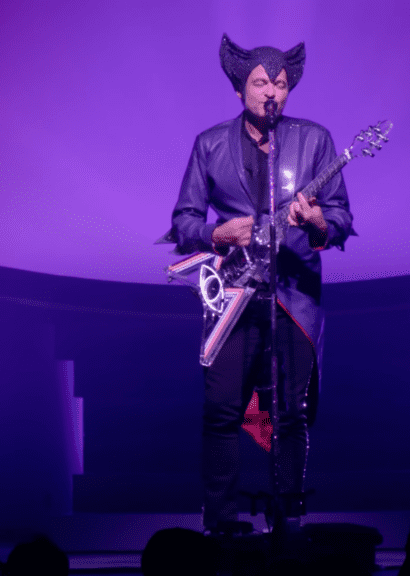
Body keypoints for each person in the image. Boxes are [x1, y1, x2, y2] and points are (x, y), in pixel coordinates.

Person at [161, 33, 354, 532]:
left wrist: (316, 223)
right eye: (261, 82)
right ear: (240, 87)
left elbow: (341, 217)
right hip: (234, 296)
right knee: (222, 409)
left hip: (292, 297)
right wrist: (215, 232)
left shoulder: (314, 140)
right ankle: (222, 521)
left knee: (291, 413)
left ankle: (287, 515)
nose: (272, 91)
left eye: (282, 83)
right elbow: (183, 224)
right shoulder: (209, 144)